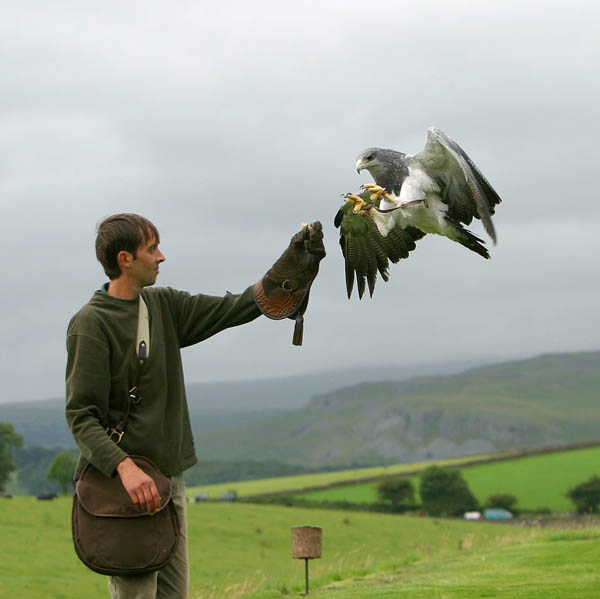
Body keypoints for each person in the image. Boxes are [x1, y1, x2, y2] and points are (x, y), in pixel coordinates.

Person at [66, 213, 325, 599]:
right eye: (151, 249)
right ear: (125, 259)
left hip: (169, 480)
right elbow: (81, 416)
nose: (161, 257)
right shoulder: (91, 323)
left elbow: (235, 307)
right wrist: (126, 469)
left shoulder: (162, 306)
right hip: (125, 487)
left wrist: (292, 269)